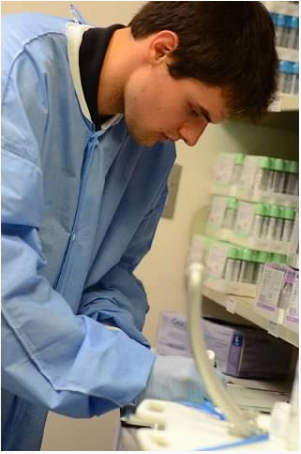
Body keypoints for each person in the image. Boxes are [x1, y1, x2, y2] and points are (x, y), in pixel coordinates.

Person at [2, 1, 277, 451]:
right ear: (163, 49)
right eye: (195, 110)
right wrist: (140, 375)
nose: (191, 136)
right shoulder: (15, 74)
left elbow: (111, 281)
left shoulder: (151, 158)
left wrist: (120, 345)